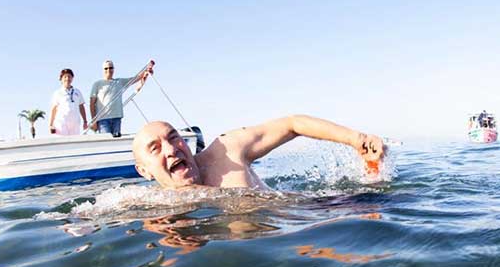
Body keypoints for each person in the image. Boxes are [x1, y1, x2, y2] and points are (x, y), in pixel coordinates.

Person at [132, 114, 385, 190]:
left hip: (314, 212)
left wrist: (357, 139)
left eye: (174, 137)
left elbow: (292, 124)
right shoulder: (150, 205)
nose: (170, 149)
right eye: (155, 148)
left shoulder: (225, 150)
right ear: (143, 171)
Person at [89, 60, 154, 137]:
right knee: (107, 143)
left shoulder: (119, 82)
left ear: (113, 69)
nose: (108, 70)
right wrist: (93, 121)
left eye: (110, 68)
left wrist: (146, 71)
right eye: (106, 68)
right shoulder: (97, 84)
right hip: (103, 119)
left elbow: (136, 78)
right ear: (103, 70)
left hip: (117, 117)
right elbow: (92, 103)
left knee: (116, 142)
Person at [49, 69, 88, 135]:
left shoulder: (77, 92)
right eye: (65, 77)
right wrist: (50, 124)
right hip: (62, 123)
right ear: (61, 79)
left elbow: (81, 107)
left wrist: (85, 121)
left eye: (69, 76)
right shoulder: (58, 93)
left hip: (75, 123)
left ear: (72, 78)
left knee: (74, 143)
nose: (67, 79)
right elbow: (54, 109)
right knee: (62, 143)